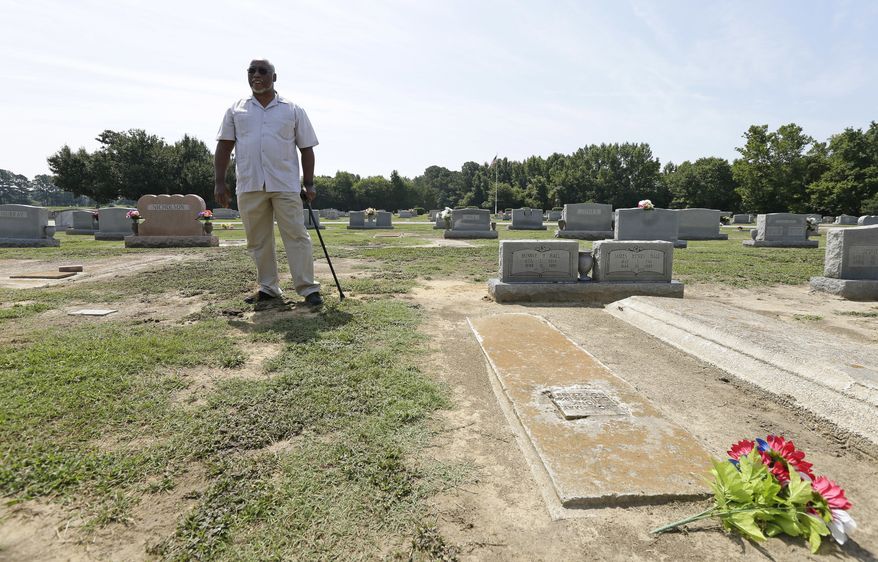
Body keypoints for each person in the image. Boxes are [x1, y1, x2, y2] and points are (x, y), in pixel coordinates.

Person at [214, 58, 323, 307]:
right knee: (258, 240)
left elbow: (306, 148)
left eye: (263, 71)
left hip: (285, 183)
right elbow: (224, 146)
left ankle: (307, 288)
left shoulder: (293, 109)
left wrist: (309, 183)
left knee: (296, 236)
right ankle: (268, 287)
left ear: (274, 77)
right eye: (251, 71)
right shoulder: (235, 110)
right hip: (250, 183)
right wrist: (220, 181)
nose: (256, 75)